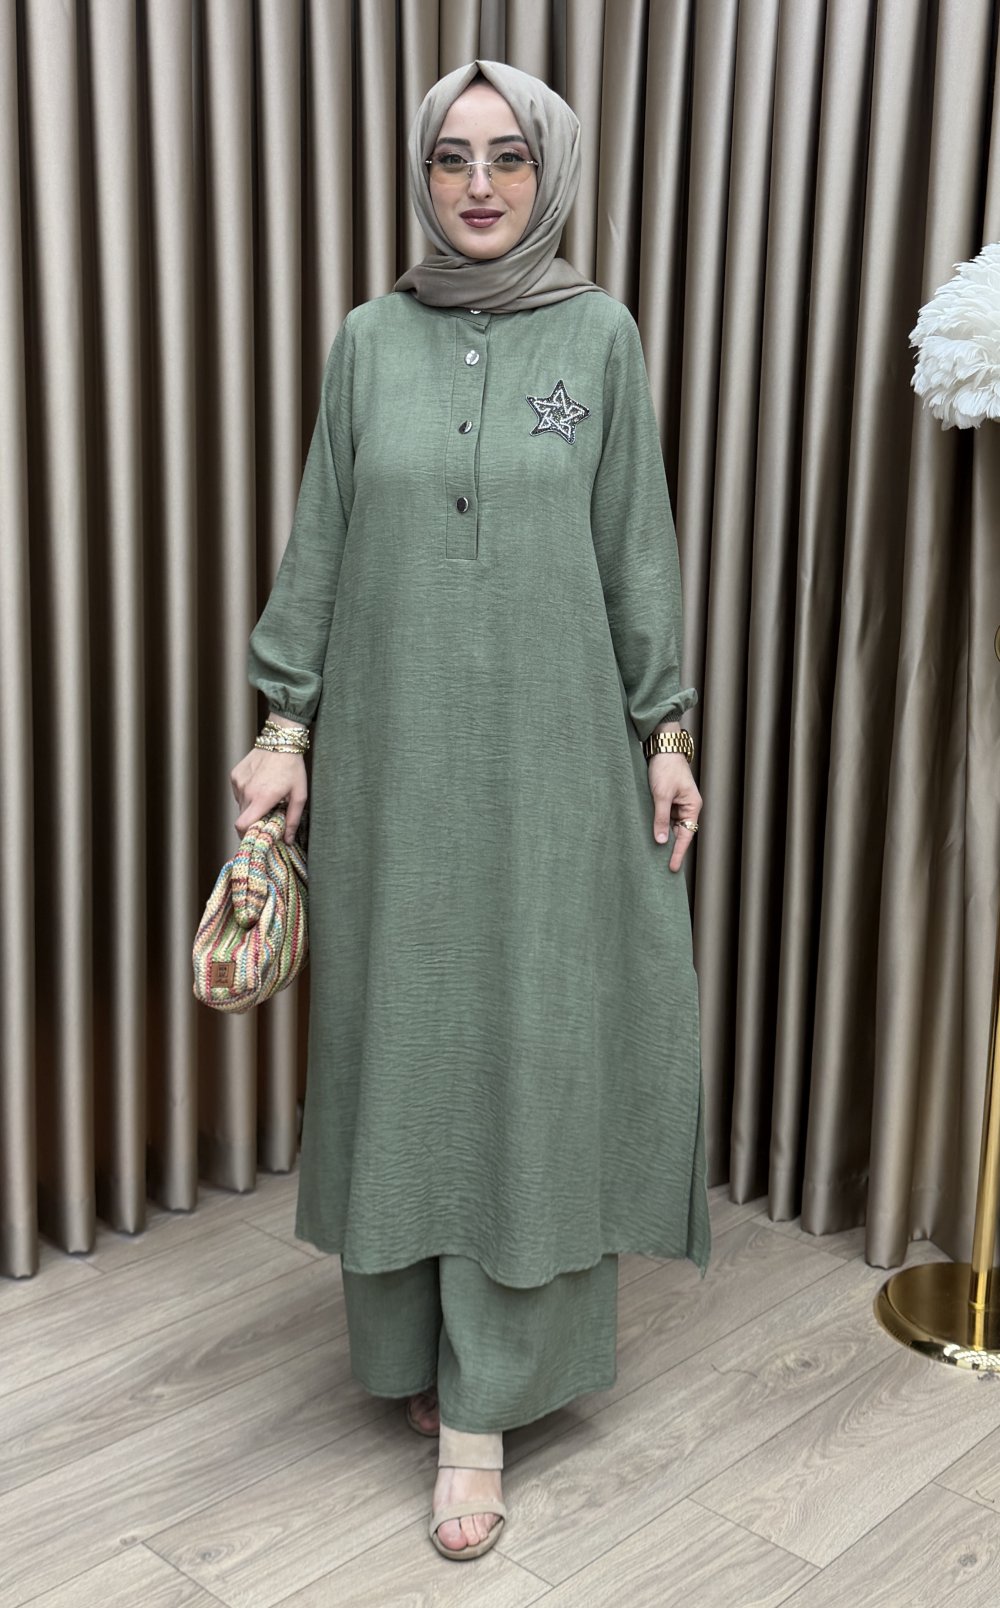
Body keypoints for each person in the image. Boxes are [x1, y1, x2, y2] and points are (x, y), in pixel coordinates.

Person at [231, 58, 710, 1563]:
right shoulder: (368, 340)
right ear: (422, 175)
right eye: (453, 157)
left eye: (509, 156)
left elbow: (635, 546)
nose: (482, 184)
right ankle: (415, 1353)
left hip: (553, 767)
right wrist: (283, 727)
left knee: (527, 1052)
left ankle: (489, 1406)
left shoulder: (602, 337)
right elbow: (321, 537)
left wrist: (665, 731)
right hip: (393, 765)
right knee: (410, 1049)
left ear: (550, 171)